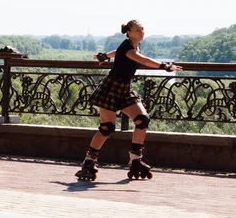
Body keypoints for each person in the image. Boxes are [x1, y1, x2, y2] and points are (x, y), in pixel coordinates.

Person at [75, 19, 182, 181]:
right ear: (129, 32)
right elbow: (142, 60)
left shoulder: (132, 46)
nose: (142, 32)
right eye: (138, 30)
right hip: (111, 88)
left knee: (142, 119)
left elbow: (118, 53)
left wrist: (105, 56)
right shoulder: (128, 47)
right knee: (107, 128)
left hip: (125, 89)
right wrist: (165, 66)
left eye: (142, 29)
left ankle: (135, 159)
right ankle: (89, 161)